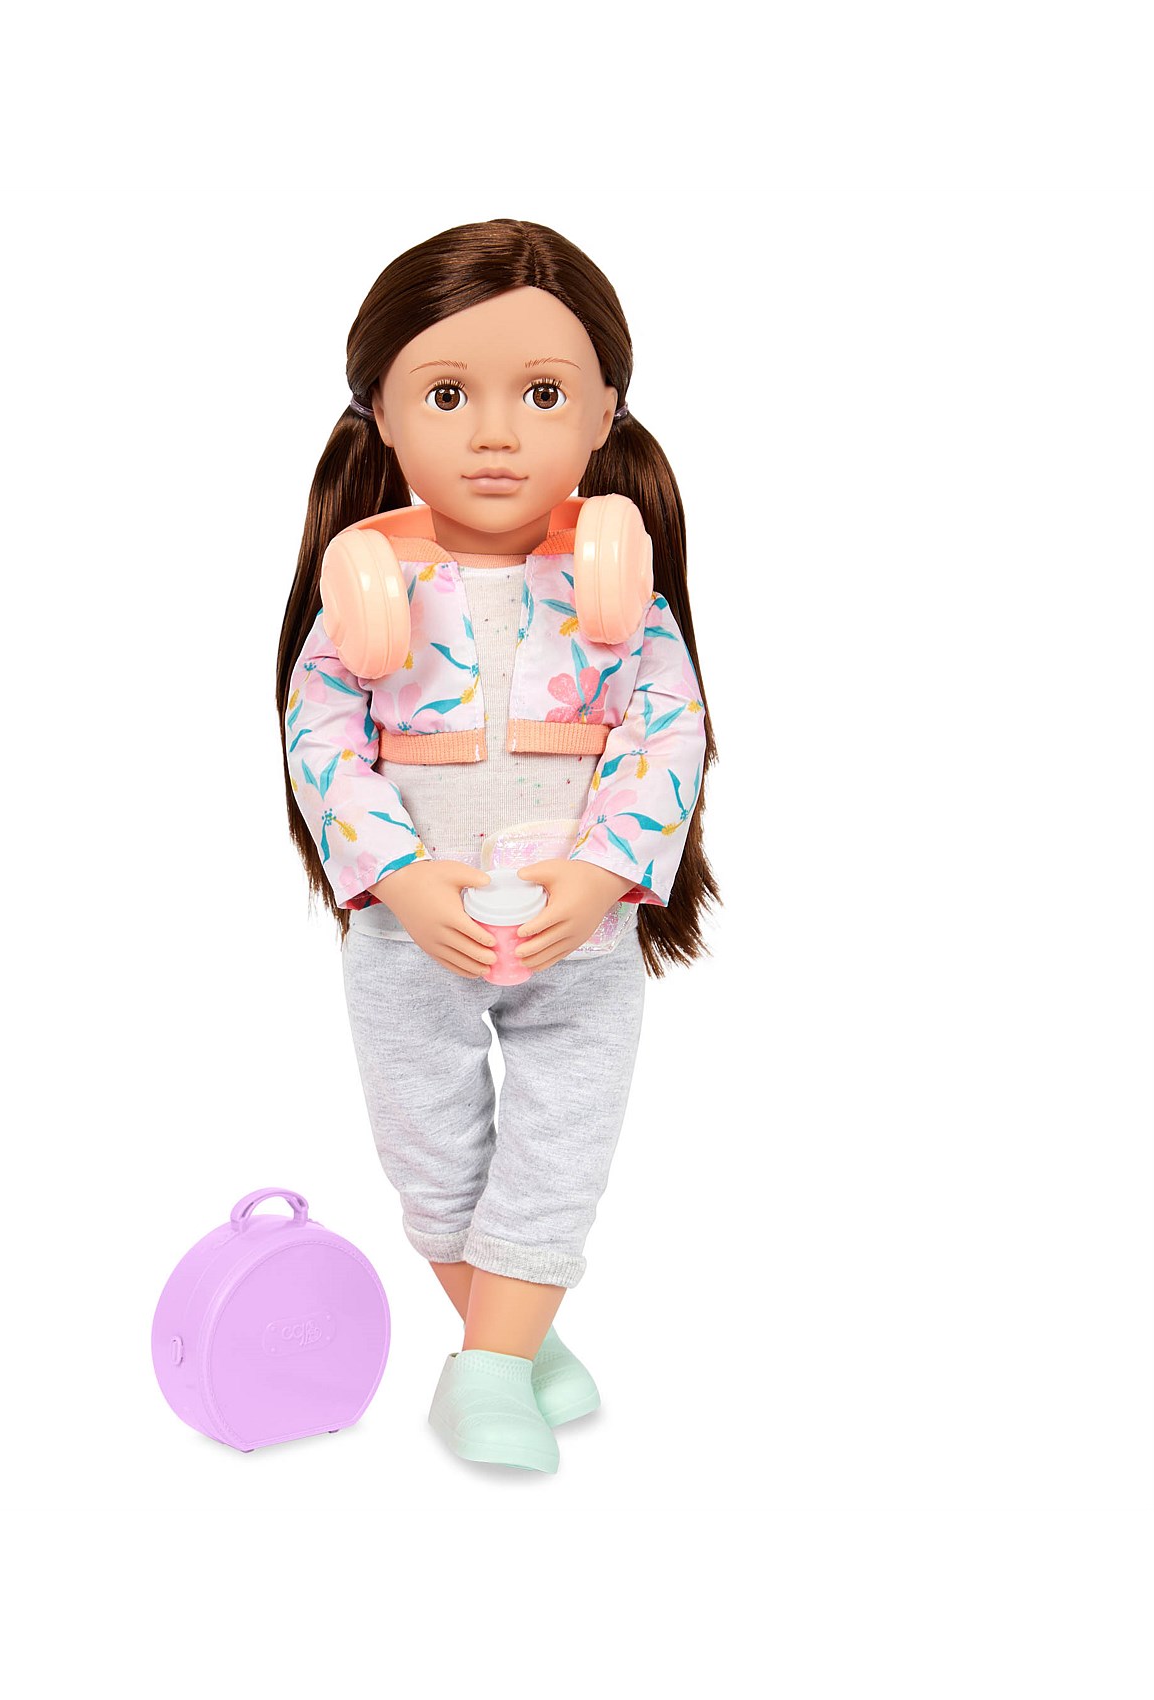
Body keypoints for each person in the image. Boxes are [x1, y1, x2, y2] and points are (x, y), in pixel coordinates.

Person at [275, 218, 720, 1473]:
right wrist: (400, 876)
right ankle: (514, 1345)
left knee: (558, 1149)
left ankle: (483, 1372)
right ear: (380, 411)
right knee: (429, 1154)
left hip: (581, 934)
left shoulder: (616, 591)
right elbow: (320, 736)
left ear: (604, 413)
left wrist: (605, 868)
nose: (494, 433)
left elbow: (670, 730)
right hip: (412, 932)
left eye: (542, 394)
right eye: (447, 394)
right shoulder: (367, 593)